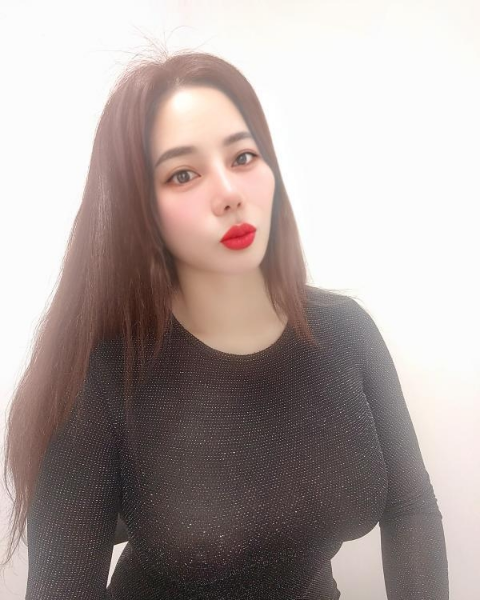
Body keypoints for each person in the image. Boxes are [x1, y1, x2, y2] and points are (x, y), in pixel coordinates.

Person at [2, 47, 449, 599]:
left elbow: (411, 509)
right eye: (183, 174)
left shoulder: (346, 333)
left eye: (242, 157)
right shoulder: (102, 378)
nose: (230, 194)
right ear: (140, 210)